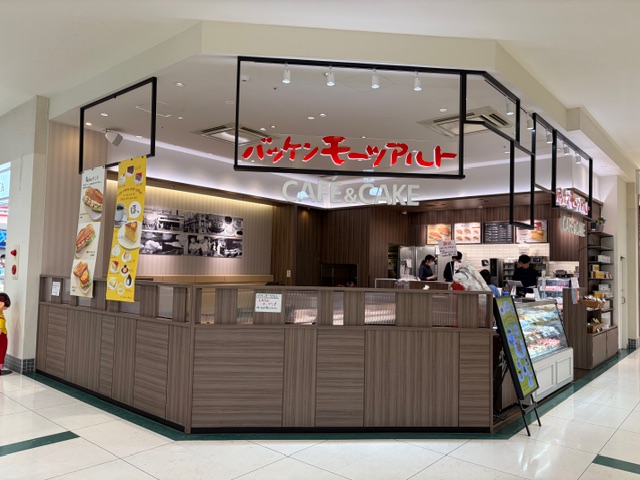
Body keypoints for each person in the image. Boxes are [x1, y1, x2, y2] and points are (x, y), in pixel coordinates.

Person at [0, 292, 11, 375]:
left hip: (2, 338)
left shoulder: (1, 316)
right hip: (2, 339)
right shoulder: (1, 318)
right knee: (1, 353)